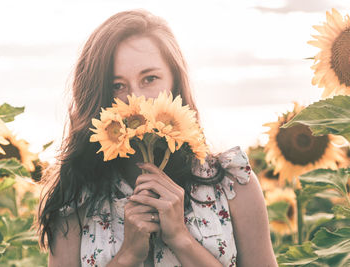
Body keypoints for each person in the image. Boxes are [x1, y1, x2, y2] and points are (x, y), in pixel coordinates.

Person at [37, 9, 278, 267]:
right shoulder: (75, 198)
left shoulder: (232, 184)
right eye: (117, 85)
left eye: (149, 79)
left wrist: (180, 238)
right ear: (99, 94)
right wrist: (128, 254)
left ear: (174, 81)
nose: (135, 100)